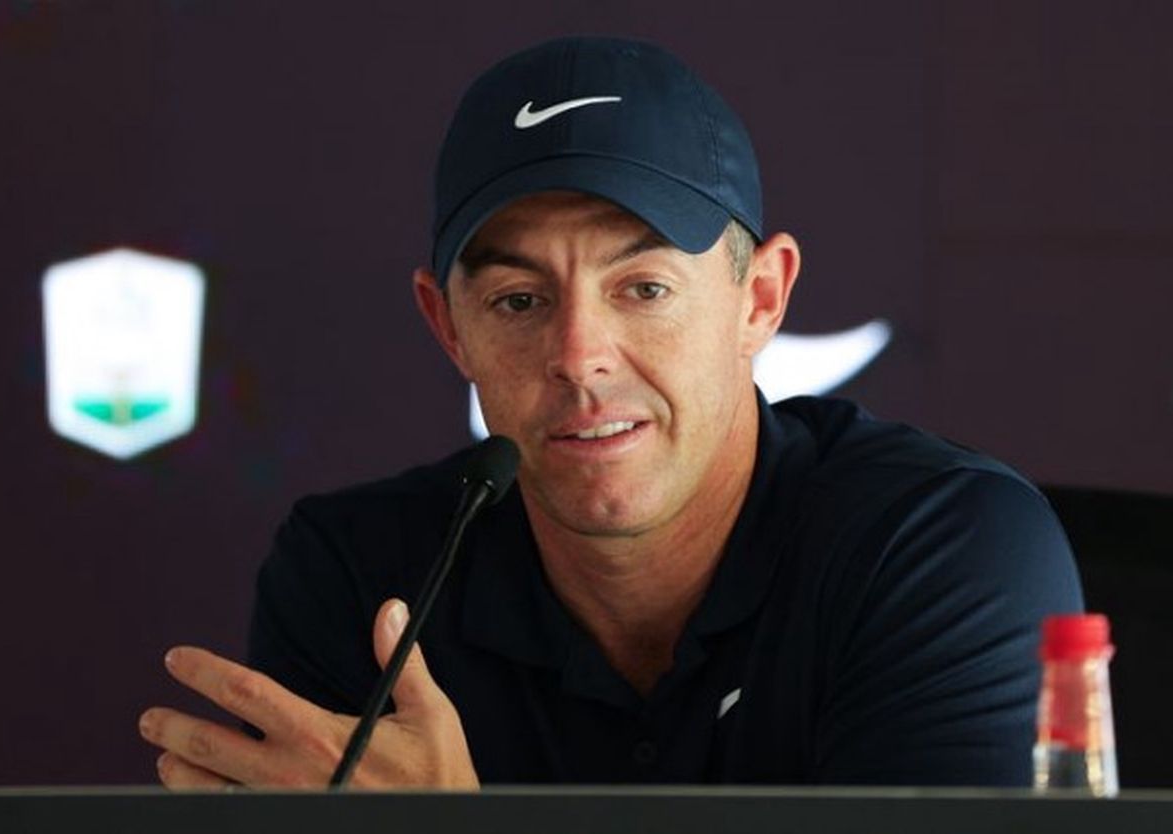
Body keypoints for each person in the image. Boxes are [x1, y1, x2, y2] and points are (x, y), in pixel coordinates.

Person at [138, 36, 1083, 789]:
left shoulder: (935, 545)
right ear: (448, 326)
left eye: (644, 289)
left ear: (759, 299)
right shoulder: (358, 577)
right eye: (518, 300)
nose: (578, 355)